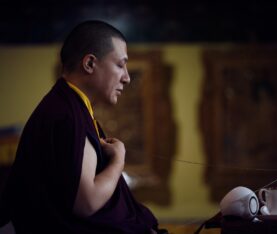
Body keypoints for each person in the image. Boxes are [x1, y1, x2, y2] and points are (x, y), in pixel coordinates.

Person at [0, 20, 167, 234]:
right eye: (120, 64)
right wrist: (118, 159)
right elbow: (86, 203)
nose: (126, 77)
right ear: (89, 64)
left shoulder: (68, 106)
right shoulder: (67, 115)